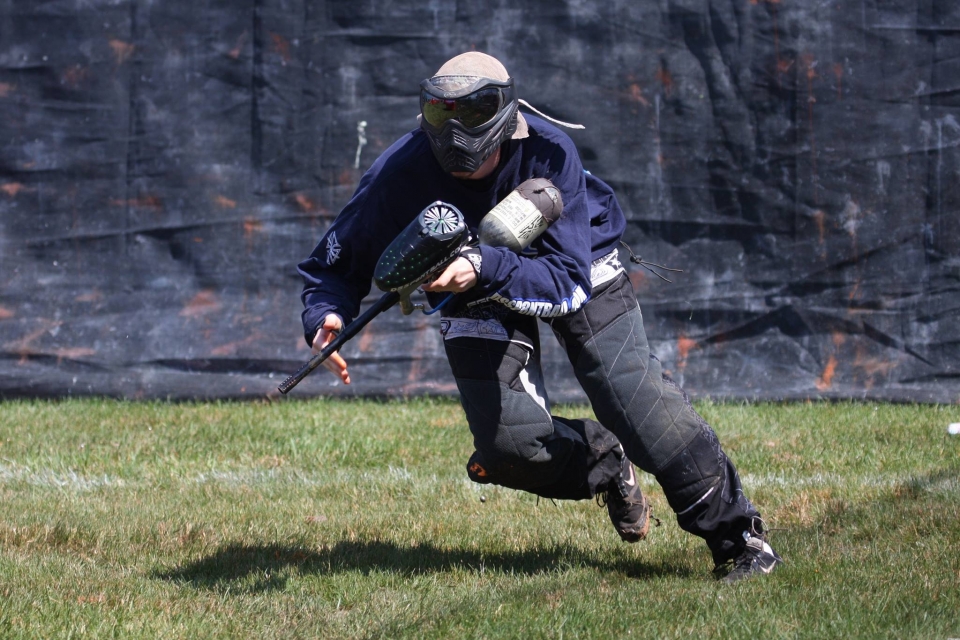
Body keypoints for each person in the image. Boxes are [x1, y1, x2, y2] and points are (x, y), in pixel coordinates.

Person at [297, 52, 782, 582]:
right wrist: (327, 314)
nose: (457, 131)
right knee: (509, 448)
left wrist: (483, 264)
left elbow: (567, 282)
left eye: (475, 110)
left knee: (633, 399)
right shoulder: (399, 170)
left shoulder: (551, 151)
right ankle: (605, 463)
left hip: (575, 260)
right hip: (469, 273)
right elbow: (336, 260)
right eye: (441, 113)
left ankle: (739, 538)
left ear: (506, 113)